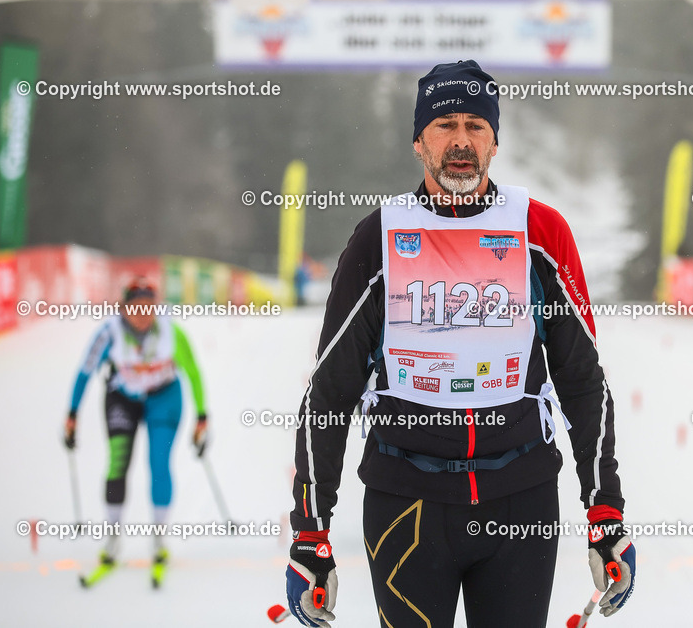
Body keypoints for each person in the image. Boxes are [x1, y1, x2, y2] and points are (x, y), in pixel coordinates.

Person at [285, 60, 635, 627]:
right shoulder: (379, 239)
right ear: (418, 142)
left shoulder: (540, 232)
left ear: (495, 140)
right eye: (445, 125)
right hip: (408, 505)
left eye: (476, 125)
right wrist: (310, 531)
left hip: (521, 505)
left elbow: (582, 380)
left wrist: (605, 512)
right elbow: (329, 393)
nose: (461, 141)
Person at [63, 277, 208, 586]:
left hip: (164, 400)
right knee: (118, 463)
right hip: (123, 399)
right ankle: (113, 540)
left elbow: (193, 371)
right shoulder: (108, 333)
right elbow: (85, 371)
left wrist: (202, 416)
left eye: (149, 307)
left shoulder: (171, 332)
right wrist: (72, 414)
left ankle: (158, 540)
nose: (143, 314)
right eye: (136, 307)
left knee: (158, 464)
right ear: (123, 308)